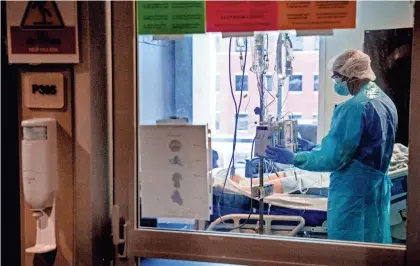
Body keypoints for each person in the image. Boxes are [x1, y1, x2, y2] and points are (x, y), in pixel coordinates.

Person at [266, 50, 398, 244]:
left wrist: (294, 159)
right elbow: (357, 147)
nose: (336, 83)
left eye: (336, 77)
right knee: (374, 243)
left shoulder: (355, 107)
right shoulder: (384, 101)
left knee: (351, 249)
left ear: (350, 75)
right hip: (374, 189)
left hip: (354, 191)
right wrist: (314, 147)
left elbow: (334, 158)